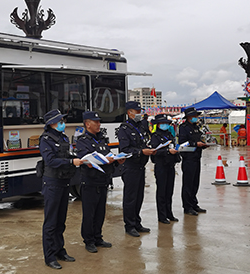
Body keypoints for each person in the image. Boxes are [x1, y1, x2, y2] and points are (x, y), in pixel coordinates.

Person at [39, 109, 84, 270]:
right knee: (51, 222)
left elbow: (68, 154)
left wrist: (79, 159)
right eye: (60, 121)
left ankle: (60, 250)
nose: (62, 123)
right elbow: (50, 160)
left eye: (63, 121)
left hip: (64, 181)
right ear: (51, 123)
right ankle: (49, 256)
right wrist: (71, 162)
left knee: (61, 220)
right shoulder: (45, 139)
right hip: (52, 183)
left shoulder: (63, 137)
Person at [75, 111, 124, 253]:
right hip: (90, 181)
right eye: (95, 122)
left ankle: (98, 237)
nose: (98, 124)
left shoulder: (102, 139)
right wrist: (104, 160)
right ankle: (89, 240)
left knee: (100, 212)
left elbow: (108, 155)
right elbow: (86, 160)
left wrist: (116, 160)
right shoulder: (82, 141)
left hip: (103, 181)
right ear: (87, 124)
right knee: (89, 213)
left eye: (99, 121)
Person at [117, 101, 156, 237]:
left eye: (140, 111)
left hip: (140, 166)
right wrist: (141, 152)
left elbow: (145, 142)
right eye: (137, 111)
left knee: (139, 197)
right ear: (130, 113)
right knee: (130, 197)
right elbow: (125, 150)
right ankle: (129, 225)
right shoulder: (124, 129)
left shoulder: (141, 127)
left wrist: (150, 150)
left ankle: (137, 222)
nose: (139, 114)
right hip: (130, 167)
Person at [150, 114, 181, 224]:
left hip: (170, 165)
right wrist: (167, 152)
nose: (165, 125)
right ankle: (162, 215)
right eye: (162, 123)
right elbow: (154, 151)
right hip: (161, 166)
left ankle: (169, 213)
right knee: (162, 192)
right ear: (158, 124)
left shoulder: (169, 135)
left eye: (166, 123)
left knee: (169, 191)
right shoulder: (155, 136)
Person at [178, 107, 208, 216]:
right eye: (194, 116)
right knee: (188, 183)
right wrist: (195, 144)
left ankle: (194, 203)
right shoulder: (183, 128)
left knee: (195, 183)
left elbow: (199, 139)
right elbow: (182, 144)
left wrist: (203, 145)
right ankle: (187, 206)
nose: (196, 118)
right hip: (188, 158)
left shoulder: (196, 127)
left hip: (196, 157)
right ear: (189, 117)